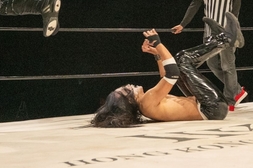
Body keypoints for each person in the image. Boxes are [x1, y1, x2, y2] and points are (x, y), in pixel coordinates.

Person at [91, 12, 242, 127]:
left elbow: (166, 77)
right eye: (126, 90)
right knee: (181, 59)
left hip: (210, 107)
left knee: (179, 62)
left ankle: (218, 39)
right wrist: (158, 43)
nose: (129, 85)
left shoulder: (147, 103)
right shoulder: (146, 101)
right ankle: (225, 39)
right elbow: (172, 74)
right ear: (129, 101)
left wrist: (157, 55)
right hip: (212, 107)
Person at [171, 0, 247, 111]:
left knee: (227, 64)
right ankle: (236, 90)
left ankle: (231, 99)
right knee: (212, 64)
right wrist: (183, 24)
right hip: (209, 30)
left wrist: (233, 22)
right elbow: (195, 3)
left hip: (225, 28)